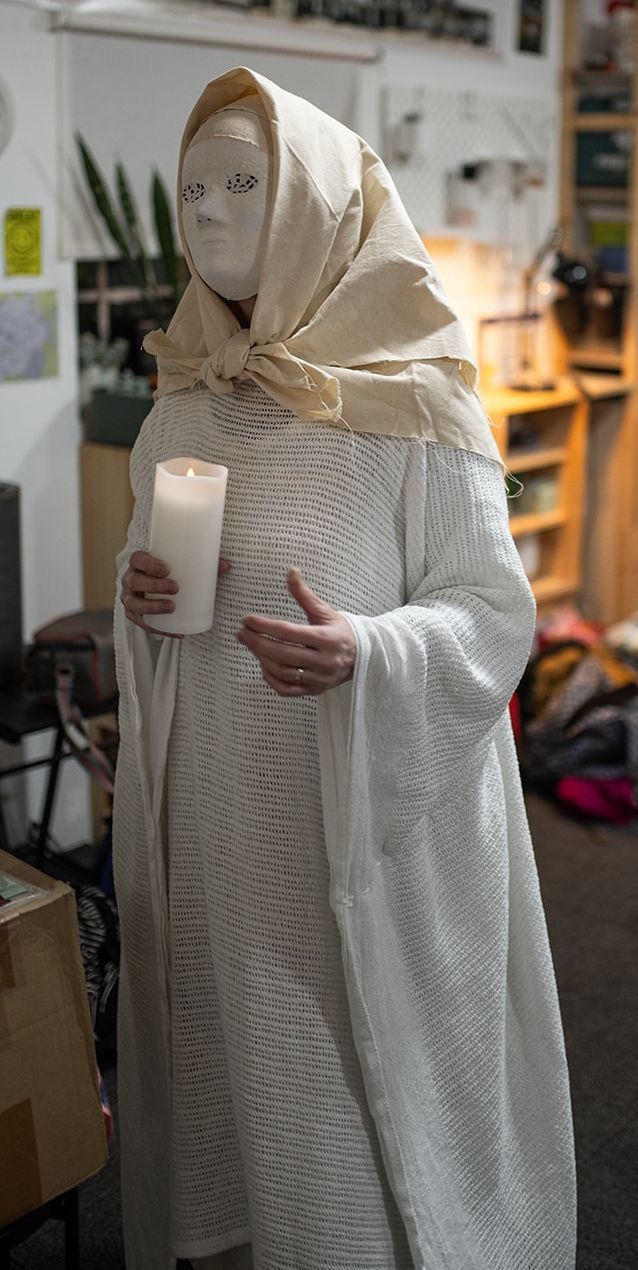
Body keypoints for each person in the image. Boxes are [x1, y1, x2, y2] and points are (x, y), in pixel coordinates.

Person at [113, 66, 576, 1270]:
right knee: (239, 1088)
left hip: (362, 835)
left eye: (244, 183)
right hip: (227, 821)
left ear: (315, 202)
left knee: (344, 1124)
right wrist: (138, 596)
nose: (209, 212)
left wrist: (372, 652)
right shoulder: (181, 408)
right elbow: (160, 599)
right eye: (193, 188)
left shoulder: (415, 406)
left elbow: (490, 611)